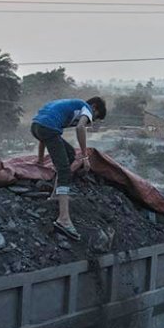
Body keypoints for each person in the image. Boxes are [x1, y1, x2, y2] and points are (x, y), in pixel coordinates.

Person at [30, 96, 107, 240]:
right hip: (48, 128)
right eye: (94, 118)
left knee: (70, 154)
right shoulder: (87, 108)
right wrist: (85, 157)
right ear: (95, 108)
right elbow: (80, 127)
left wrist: (40, 159)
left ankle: (55, 195)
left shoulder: (66, 106)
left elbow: (43, 132)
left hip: (36, 127)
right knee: (65, 170)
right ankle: (64, 219)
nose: (91, 121)